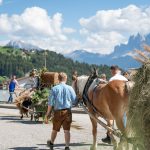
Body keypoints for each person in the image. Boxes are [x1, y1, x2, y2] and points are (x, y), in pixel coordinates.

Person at [45, 72, 77, 150]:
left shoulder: (54, 88)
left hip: (57, 112)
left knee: (55, 129)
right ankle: (67, 146)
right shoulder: (70, 88)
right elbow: (75, 101)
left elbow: (50, 103)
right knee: (67, 130)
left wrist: (47, 114)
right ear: (65, 79)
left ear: (58, 79)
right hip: (67, 111)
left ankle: (52, 143)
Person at [101, 65, 128, 144]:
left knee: (114, 118)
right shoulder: (124, 79)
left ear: (112, 71)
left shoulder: (112, 79)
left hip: (117, 103)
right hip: (126, 101)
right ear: (118, 70)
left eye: (111, 71)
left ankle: (111, 136)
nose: (111, 72)